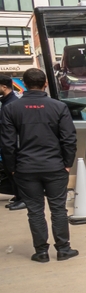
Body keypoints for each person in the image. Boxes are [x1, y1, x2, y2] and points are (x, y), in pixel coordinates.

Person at [0, 68, 79, 263]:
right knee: (58, 209)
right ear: (45, 83)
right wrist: (67, 163)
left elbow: (7, 143)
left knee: (34, 210)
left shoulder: (11, 109)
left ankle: (41, 251)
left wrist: (12, 167)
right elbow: (69, 139)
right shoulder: (58, 107)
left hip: (25, 168)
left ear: (24, 84)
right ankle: (63, 248)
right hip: (55, 166)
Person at [0, 75, 26, 211]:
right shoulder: (6, 102)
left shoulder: (11, 104)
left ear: (4, 87)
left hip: (12, 144)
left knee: (14, 171)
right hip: (7, 143)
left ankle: (23, 198)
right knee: (10, 171)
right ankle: (18, 196)